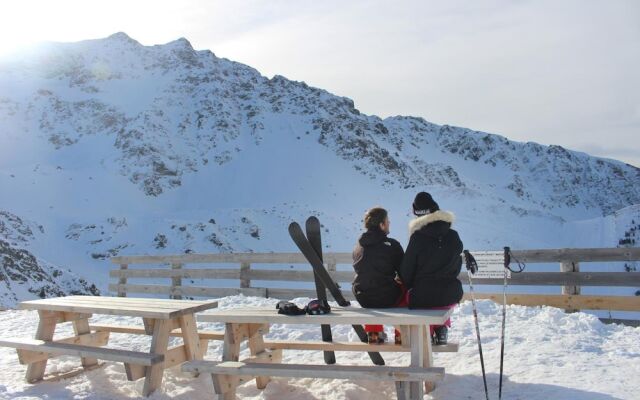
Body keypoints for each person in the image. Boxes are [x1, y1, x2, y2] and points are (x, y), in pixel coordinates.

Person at [399, 192, 463, 345]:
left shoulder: (417, 238)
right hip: (451, 294)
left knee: (418, 298)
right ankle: (442, 327)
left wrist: (410, 284)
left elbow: (406, 272)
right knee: (439, 297)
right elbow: (457, 264)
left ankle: (425, 333)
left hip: (423, 296)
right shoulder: (454, 235)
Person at [352, 207, 404, 343]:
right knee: (405, 288)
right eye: (387, 221)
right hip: (386, 297)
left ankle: (374, 333)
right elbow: (404, 273)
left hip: (362, 296)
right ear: (381, 224)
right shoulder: (392, 245)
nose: (389, 223)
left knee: (370, 282)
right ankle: (402, 334)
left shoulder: (358, 245)